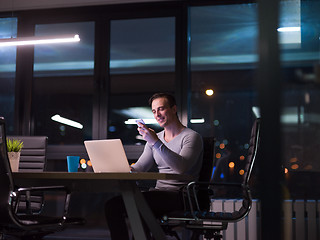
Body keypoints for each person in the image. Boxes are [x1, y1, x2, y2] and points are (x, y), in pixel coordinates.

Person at [105, 92, 203, 240]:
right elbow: (139, 168)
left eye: (161, 109)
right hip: (159, 193)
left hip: (181, 196)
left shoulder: (191, 137)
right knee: (112, 206)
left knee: (139, 206)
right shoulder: (155, 138)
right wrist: (121, 167)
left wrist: (156, 142)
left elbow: (181, 167)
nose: (157, 114)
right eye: (154, 111)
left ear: (174, 109)